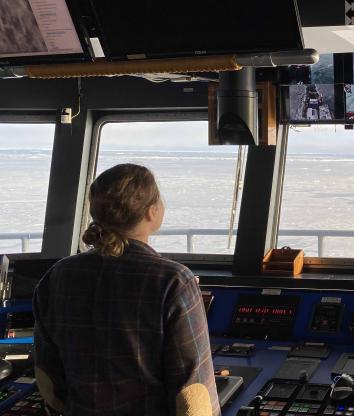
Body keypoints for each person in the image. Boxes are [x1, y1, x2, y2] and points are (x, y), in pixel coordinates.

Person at [33, 164, 220, 416]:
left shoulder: (57, 275)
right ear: (152, 212)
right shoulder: (173, 281)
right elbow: (193, 398)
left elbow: (49, 380)